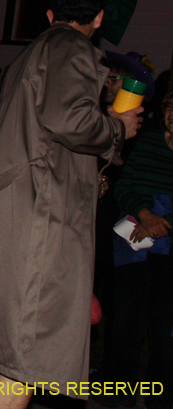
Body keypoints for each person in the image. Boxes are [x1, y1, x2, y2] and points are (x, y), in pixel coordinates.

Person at [0, 0, 143, 409]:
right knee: (26, 350)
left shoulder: (30, 53)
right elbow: (68, 120)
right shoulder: (73, 49)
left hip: (6, 204)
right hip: (39, 211)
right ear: (99, 17)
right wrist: (117, 127)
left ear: (51, 14)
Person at [95, 88, 173, 409]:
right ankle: (118, 392)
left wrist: (162, 222)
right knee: (127, 319)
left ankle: (160, 396)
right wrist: (144, 214)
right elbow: (124, 184)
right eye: (170, 107)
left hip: (168, 244)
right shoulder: (148, 142)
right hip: (134, 238)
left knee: (164, 326)